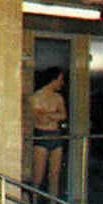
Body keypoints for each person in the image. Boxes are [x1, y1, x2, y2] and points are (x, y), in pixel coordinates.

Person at [29, 68, 68, 197]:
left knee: (55, 175)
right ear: (53, 79)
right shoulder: (37, 96)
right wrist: (53, 115)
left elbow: (62, 115)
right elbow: (39, 118)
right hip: (42, 134)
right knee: (38, 175)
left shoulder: (58, 98)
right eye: (60, 80)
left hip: (55, 135)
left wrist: (48, 114)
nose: (61, 83)